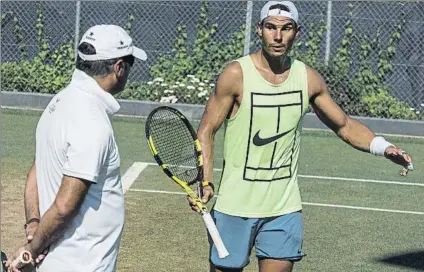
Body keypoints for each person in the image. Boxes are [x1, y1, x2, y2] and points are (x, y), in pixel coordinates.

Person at [188, 1, 414, 272]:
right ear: (259, 30)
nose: (278, 36)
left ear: (297, 32)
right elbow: (206, 130)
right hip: (235, 206)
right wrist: (206, 181)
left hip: (283, 208)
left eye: (286, 28)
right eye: (271, 27)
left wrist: (384, 147)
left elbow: (343, 125)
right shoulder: (236, 75)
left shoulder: (306, 78)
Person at [6, 24, 147, 272]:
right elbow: (64, 207)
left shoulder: (58, 102)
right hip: (83, 264)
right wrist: (31, 250)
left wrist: (33, 224)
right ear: (119, 68)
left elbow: (35, 173)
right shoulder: (92, 121)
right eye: (130, 64)